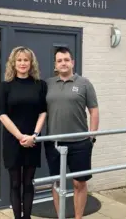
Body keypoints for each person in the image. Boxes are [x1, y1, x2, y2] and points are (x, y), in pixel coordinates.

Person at [44, 46, 99, 219]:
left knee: (79, 183)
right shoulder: (48, 84)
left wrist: (92, 136)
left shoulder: (84, 83)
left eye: (66, 60)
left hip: (80, 142)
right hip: (54, 143)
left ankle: (78, 217)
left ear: (72, 62)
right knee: (57, 182)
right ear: (55, 65)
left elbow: (94, 110)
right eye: (60, 61)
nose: (63, 63)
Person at [0, 46, 48, 219]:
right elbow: (2, 115)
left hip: (32, 139)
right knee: (15, 183)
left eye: (26, 60)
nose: (22, 63)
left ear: (31, 62)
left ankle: (27, 217)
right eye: (19, 60)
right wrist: (20, 136)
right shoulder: (5, 87)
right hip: (13, 141)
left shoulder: (40, 85)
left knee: (28, 183)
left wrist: (34, 135)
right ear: (13, 63)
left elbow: (43, 112)